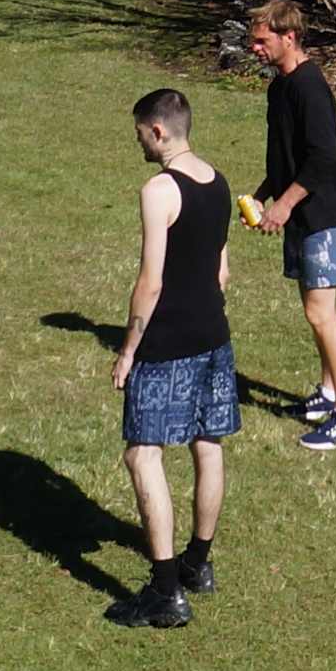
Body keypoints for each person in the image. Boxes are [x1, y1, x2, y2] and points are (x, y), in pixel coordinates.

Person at [105, 87, 235, 630]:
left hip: (167, 344)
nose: (137, 141)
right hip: (214, 336)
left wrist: (129, 349)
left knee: (144, 456)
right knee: (207, 445)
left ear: (157, 131)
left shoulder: (160, 190)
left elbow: (150, 282)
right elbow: (221, 272)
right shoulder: (218, 181)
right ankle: (198, 565)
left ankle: (164, 593)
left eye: (139, 132)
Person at [242, 0, 336, 451]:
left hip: (322, 218)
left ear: (288, 37)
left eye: (261, 40)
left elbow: (322, 159)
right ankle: (328, 393)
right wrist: (262, 192)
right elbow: (286, 158)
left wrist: (285, 205)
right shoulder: (280, 87)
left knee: (321, 312)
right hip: (300, 214)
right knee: (315, 312)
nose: (254, 47)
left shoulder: (310, 87)